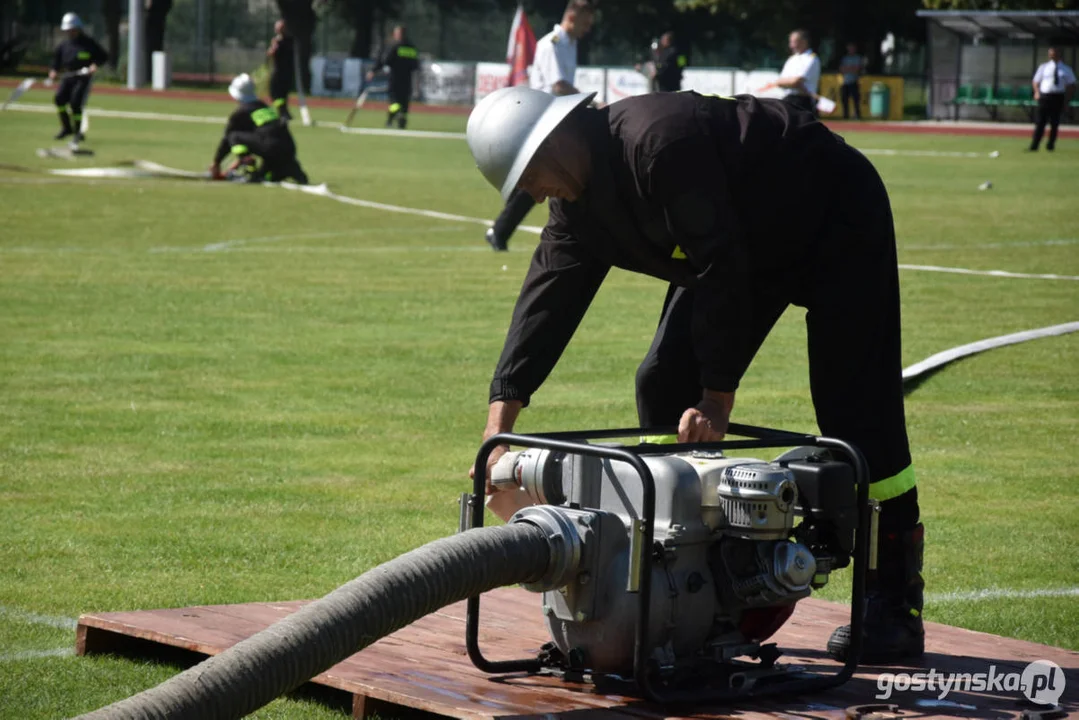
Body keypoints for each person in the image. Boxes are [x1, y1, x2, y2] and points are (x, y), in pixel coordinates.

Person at [466, 85, 925, 664]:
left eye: (528, 178)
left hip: (833, 215)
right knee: (662, 382)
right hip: (745, 244)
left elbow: (722, 265)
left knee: (856, 406)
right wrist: (499, 426)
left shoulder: (658, 143)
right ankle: (687, 590)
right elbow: (545, 304)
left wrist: (717, 398)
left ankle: (895, 604)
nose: (531, 195)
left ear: (555, 141)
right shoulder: (576, 206)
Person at [484, 0, 596, 252]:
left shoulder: (570, 44)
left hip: (559, 123)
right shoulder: (551, 45)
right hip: (545, 124)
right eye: (586, 22)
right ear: (573, 15)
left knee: (539, 180)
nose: (587, 29)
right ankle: (500, 231)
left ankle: (499, 231)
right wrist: (591, 100)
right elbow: (558, 85)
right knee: (545, 179)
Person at [209, 73, 308, 185]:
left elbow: (227, 139)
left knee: (234, 136)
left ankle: (250, 169)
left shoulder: (241, 112)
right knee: (267, 176)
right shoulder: (263, 106)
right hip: (288, 149)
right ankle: (288, 169)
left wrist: (216, 163)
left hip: (270, 148)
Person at [48, 12, 107, 142]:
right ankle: (66, 128)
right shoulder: (64, 45)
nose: (70, 32)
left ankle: (78, 131)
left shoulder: (89, 43)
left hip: (83, 78)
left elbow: (103, 56)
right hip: (68, 76)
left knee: (76, 103)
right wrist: (54, 71)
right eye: (68, 30)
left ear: (77, 28)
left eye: (72, 29)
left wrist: (94, 65)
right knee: (59, 99)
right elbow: (56, 61)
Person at [367, 25, 418, 129]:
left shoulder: (394, 46)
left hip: (395, 78)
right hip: (407, 79)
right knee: (403, 101)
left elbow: (384, 60)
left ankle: (395, 117)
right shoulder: (412, 47)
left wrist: (373, 71)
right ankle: (399, 118)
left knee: (394, 101)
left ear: (397, 34)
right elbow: (415, 65)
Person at [1029, 46, 1076, 152]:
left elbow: (1072, 84)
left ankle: (1050, 145)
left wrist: (1067, 100)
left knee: (1054, 122)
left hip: (1058, 96)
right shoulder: (1043, 67)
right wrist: (1037, 92)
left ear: (1058, 54)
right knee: (1040, 122)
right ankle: (1034, 145)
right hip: (1045, 96)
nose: (1051, 55)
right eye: (1050, 53)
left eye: (1053, 53)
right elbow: (1036, 81)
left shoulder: (1066, 69)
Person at [773, 29, 821, 115]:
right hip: (788, 99)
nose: (791, 46)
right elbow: (779, 82)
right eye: (791, 42)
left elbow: (796, 81)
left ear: (804, 42)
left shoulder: (811, 58)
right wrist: (793, 83)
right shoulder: (792, 59)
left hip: (803, 101)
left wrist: (791, 82)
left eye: (794, 42)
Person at [266, 20, 295, 120]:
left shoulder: (279, 42)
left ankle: (282, 111)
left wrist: (273, 45)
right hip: (287, 71)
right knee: (282, 94)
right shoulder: (290, 40)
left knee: (275, 93)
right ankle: (284, 111)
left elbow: (271, 53)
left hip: (279, 71)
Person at [839, 42, 864, 120]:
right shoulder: (845, 58)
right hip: (845, 82)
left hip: (854, 82)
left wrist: (847, 68)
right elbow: (841, 69)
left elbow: (857, 69)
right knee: (844, 100)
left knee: (856, 100)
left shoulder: (857, 58)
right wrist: (850, 68)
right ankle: (845, 115)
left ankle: (857, 115)